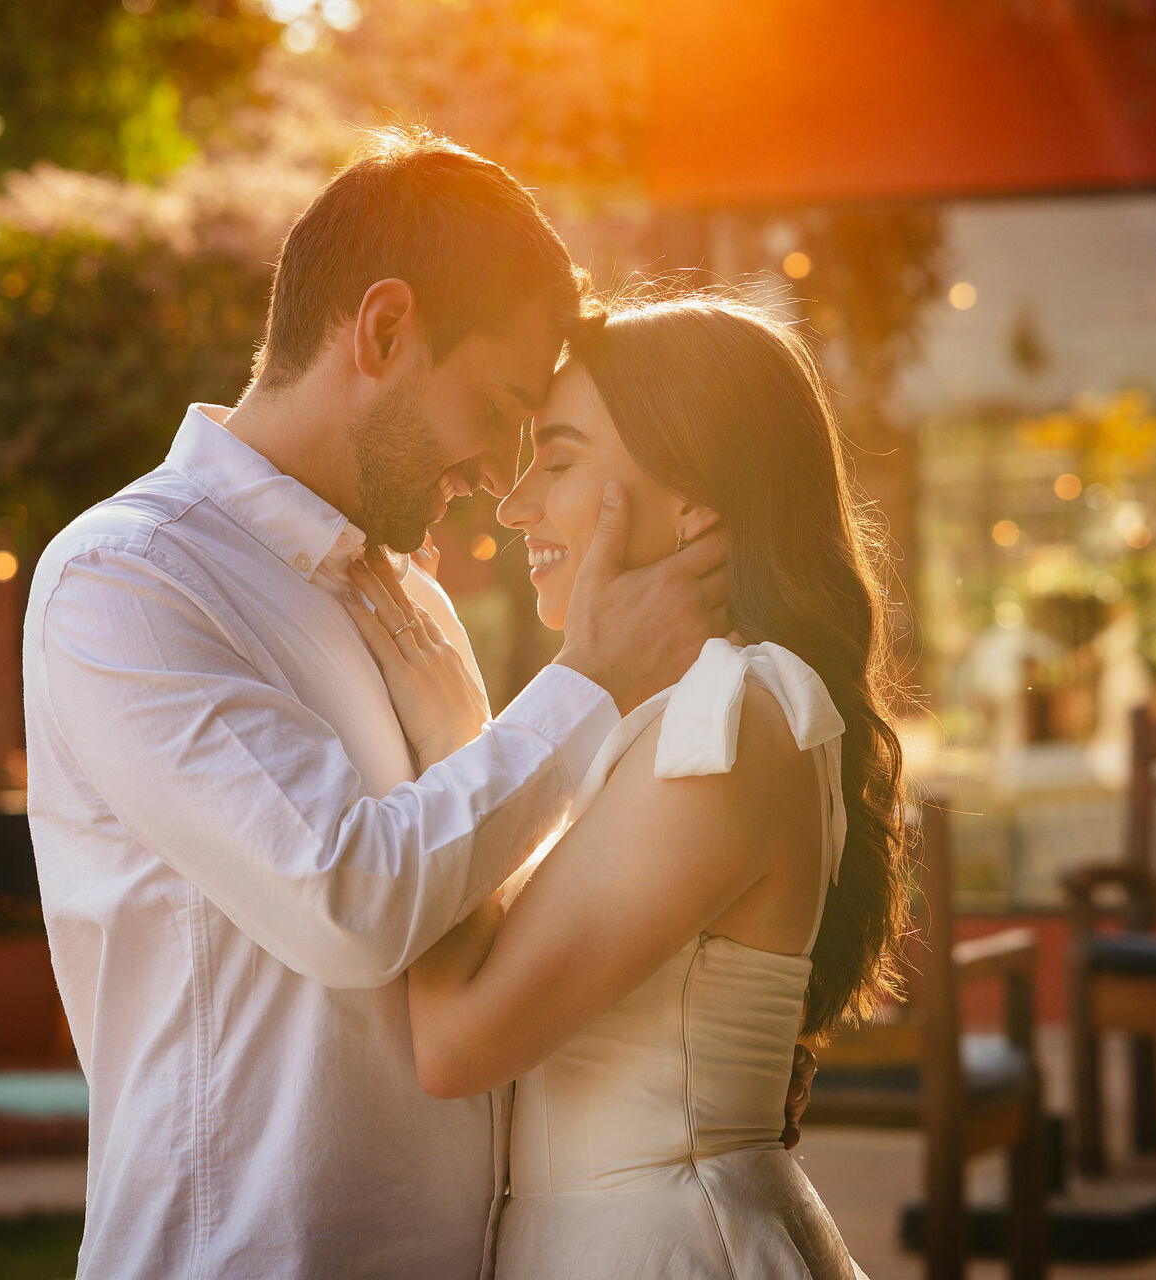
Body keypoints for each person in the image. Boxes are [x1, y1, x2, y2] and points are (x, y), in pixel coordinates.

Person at [23, 129, 811, 1279]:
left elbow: (475, 910)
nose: (502, 475)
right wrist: (589, 679)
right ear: (385, 330)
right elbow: (350, 899)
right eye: (497, 408)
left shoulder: (415, 609)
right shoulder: (130, 581)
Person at [346, 292, 913, 1278]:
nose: (515, 503)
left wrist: (448, 739)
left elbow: (454, 1043)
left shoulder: (730, 721)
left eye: (558, 460)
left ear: (696, 500)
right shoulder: (696, 713)